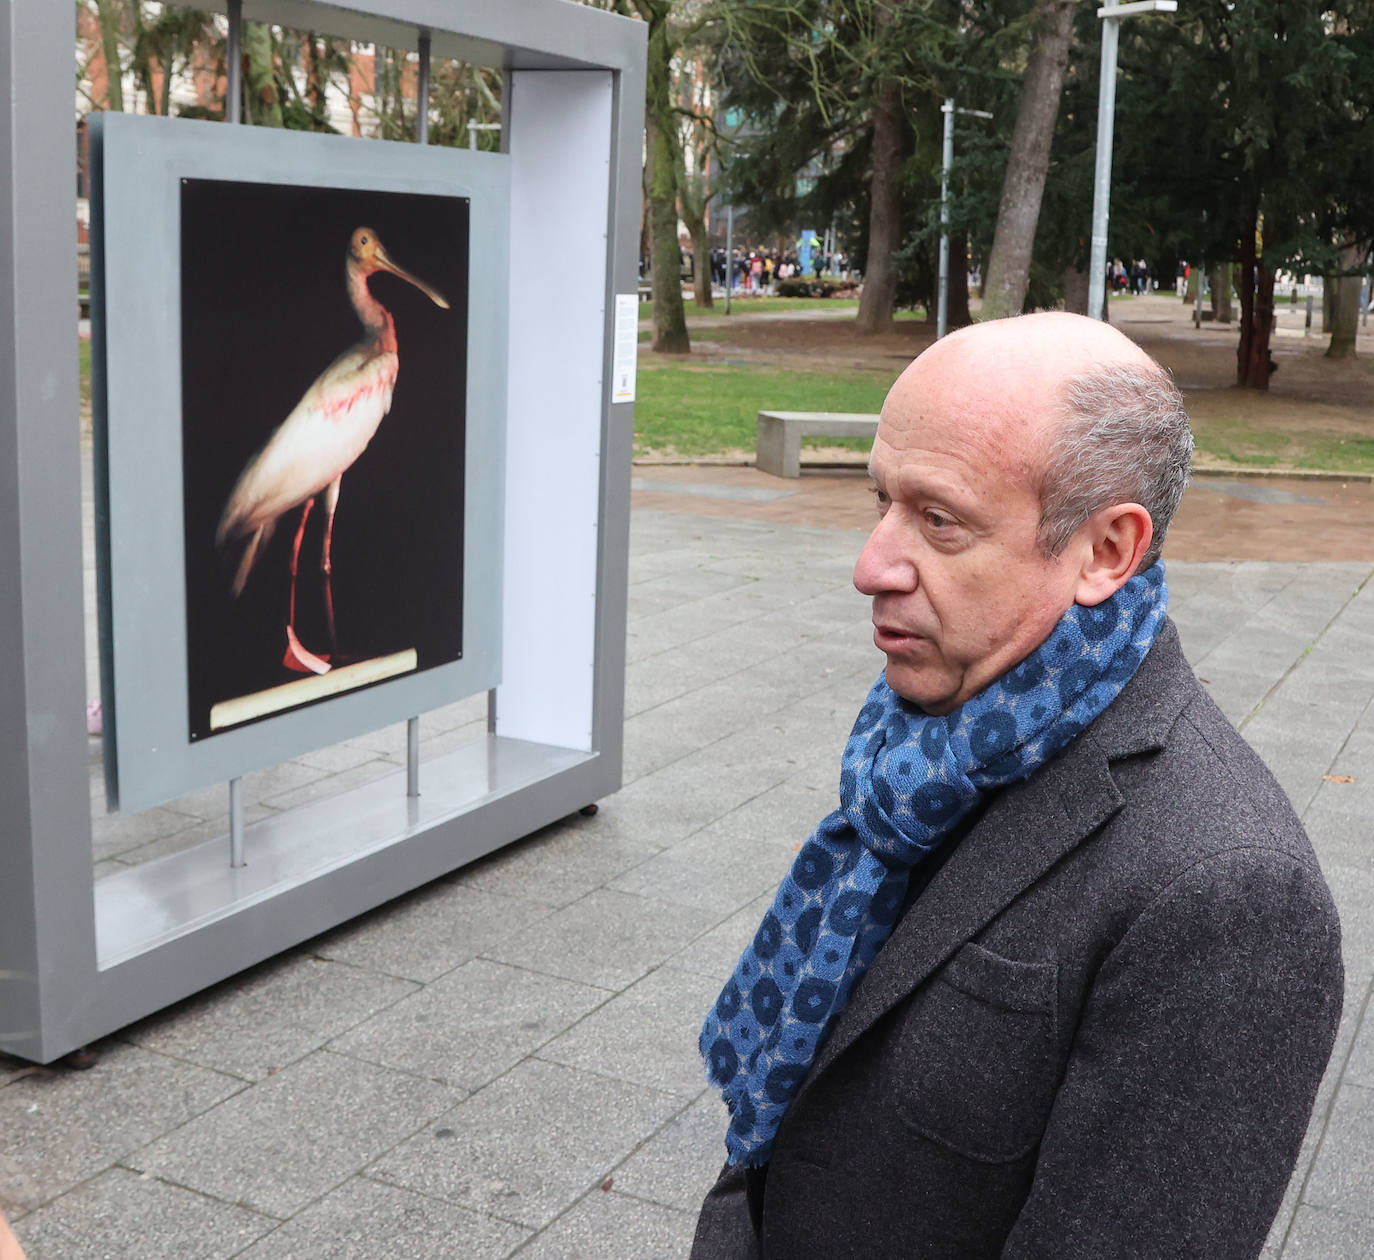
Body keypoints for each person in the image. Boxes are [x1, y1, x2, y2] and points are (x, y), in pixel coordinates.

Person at [691, 312, 1343, 1259]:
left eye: (939, 520)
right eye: (881, 501)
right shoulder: (923, 750)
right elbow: (783, 1118)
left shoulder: (1228, 892)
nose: (871, 564)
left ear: (1106, 552)